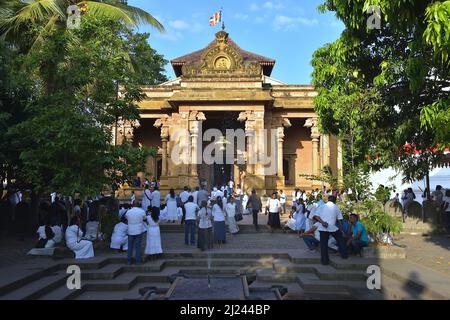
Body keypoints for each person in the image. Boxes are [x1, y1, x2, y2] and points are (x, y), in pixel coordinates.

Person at [312, 195, 348, 265]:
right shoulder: (336, 207)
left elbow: (316, 216)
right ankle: (344, 255)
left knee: (323, 245)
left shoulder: (322, 206)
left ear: (328, 200)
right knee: (341, 240)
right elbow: (340, 220)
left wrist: (322, 222)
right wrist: (342, 230)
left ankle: (324, 262)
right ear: (335, 201)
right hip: (332, 227)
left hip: (323, 227)